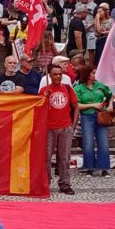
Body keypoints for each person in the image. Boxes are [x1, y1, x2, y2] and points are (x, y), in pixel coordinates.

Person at [40, 65, 78, 195]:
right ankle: (46, 182)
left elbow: (75, 106)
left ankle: (65, 183)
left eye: (59, 74)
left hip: (65, 126)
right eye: (55, 74)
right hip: (49, 128)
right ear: (50, 76)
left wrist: (73, 125)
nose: (57, 76)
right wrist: (43, 98)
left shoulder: (67, 88)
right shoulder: (44, 90)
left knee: (64, 157)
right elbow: (38, 108)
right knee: (46, 157)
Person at [74, 66, 113, 177]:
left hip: (101, 115)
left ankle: (104, 167)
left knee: (103, 142)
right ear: (87, 75)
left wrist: (110, 105)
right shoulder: (78, 88)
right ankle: (89, 167)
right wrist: (93, 105)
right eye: (93, 73)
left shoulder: (100, 86)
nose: (95, 74)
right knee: (88, 142)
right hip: (87, 116)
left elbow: (110, 95)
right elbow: (77, 105)